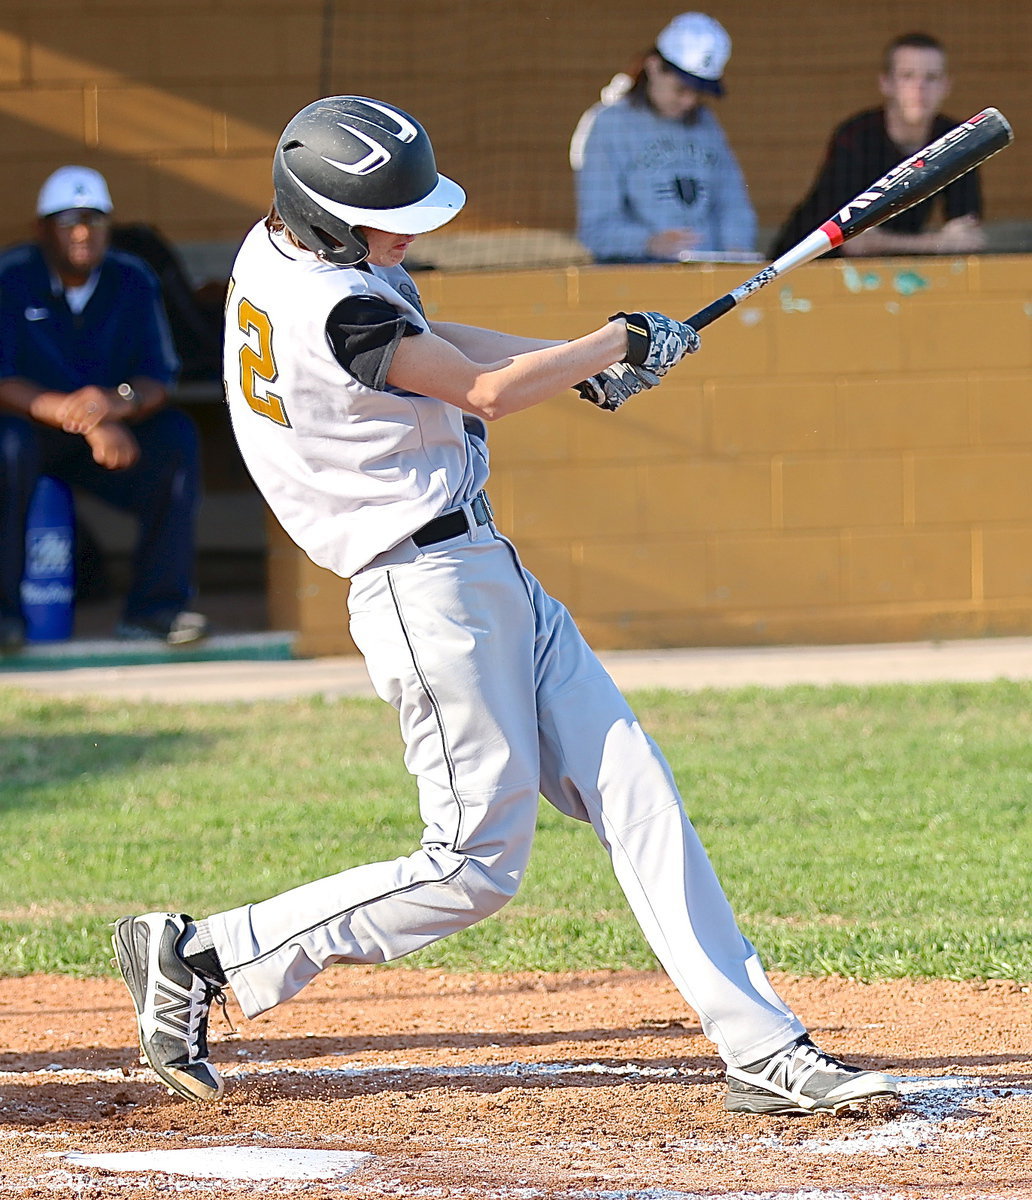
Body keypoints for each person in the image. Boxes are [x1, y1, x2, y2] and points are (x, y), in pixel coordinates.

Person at [112, 96, 898, 1118]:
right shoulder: (334, 307)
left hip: (481, 566)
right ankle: (205, 954)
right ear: (328, 220)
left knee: (635, 788)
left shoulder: (286, 257)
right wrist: (611, 340)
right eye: (389, 220)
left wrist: (582, 363)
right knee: (474, 868)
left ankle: (762, 1046)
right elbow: (479, 391)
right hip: (424, 595)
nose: (409, 233)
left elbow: (433, 342)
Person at [0, 166, 207, 650]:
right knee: (7, 446)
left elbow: (158, 378)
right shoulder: (11, 277)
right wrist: (82, 416)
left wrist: (114, 406)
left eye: (94, 220)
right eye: (68, 221)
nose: (82, 233)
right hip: (30, 429)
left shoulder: (131, 278)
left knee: (175, 439)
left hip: (111, 436)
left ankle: (155, 610)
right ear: (42, 229)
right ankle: (3, 618)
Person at [770, 32, 985, 259]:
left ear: (946, 86)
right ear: (886, 84)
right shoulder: (855, 137)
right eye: (907, 76)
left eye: (931, 78)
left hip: (889, 268)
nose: (919, 88)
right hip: (805, 266)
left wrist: (937, 242)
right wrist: (938, 242)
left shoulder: (957, 140)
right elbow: (852, 241)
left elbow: (968, 237)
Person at [570, 12, 757, 263]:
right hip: (639, 278)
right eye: (681, 89)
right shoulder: (608, 124)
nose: (689, 101)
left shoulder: (706, 123)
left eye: (698, 93)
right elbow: (596, 229)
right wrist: (648, 243)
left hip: (710, 276)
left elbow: (733, 202)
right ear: (654, 66)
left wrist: (736, 247)